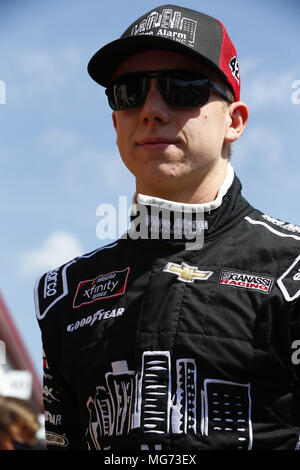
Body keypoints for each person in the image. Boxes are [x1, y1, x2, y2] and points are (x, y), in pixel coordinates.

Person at [34, 4, 300, 450]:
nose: (152, 110)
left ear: (234, 122)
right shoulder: (64, 294)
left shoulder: (293, 270)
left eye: (183, 89)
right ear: (115, 120)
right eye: (130, 92)